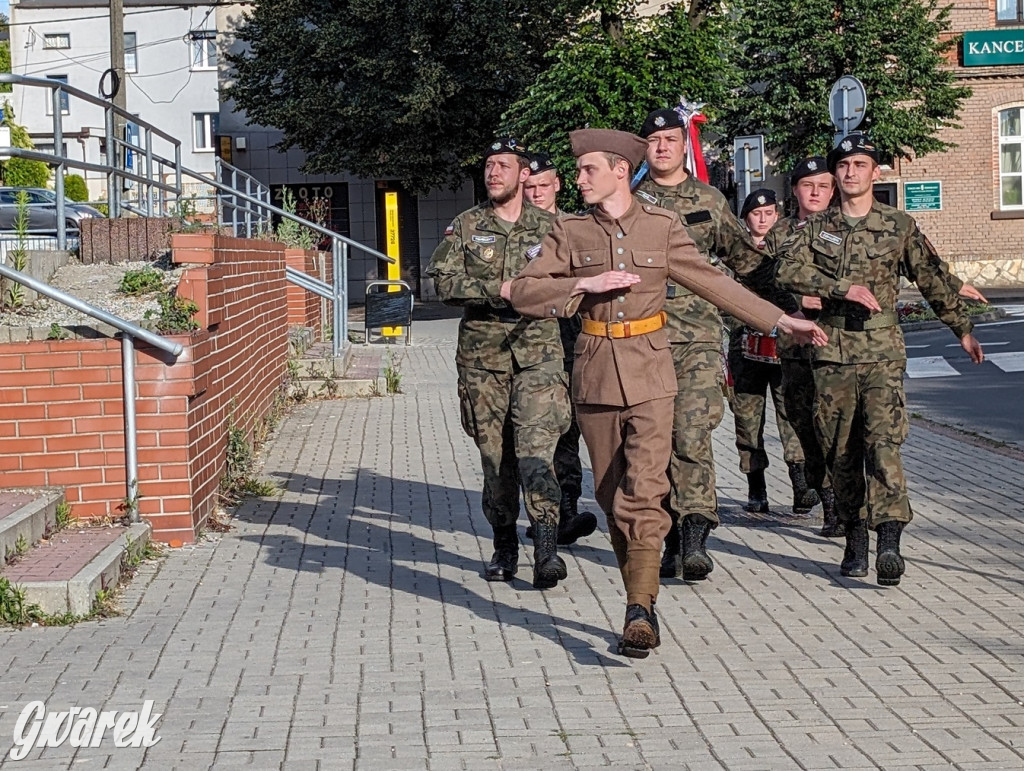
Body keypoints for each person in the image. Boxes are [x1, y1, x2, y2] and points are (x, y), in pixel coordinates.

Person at [503, 128, 826, 657]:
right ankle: (640, 588)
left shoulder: (662, 226)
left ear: (615, 170)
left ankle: (640, 607)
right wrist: (581, 286)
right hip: (596, 373)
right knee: (610, 496)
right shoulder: (570, 231)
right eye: (579, 170)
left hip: (654, 373)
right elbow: (524, 291)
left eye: (587, 170)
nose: (578, 179)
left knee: (645, 491)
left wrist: (779, 321)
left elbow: (714, 282)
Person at [775, 132, 984, 585]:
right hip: (830, 354)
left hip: (883, 354)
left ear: (875, 171)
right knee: (840, 450)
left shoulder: (898, 226)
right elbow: (787, 269)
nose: (851, 173)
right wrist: (839, 289)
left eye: (860, 165)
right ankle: (854, 537)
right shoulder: (817, 227)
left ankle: (889, 538)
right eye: (844, 166)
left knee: (883, 443)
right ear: (836, 173)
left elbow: (931, 279)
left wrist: (962, 329)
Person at [634, 108, 790, 581]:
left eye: (670, 139)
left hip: (698, 336)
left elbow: (746, 261)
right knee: (651, 443)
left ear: (684, 145)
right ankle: (668, 538)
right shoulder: (630, 201)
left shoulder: (709, 199)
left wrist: (789, 307)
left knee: (693, 433)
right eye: (654, 139)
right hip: (643, 335)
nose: (662, 147)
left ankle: (696, 533)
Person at [427, 137, 572, 590]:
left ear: (524, 174)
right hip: (483, 359)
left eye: (503, 166)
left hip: (539, 356)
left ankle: (546, 548)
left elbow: (579, 280)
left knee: (537, 452)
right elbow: (443, 281)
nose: (493, 173)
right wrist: (499, 291)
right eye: (489, 166)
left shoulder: (555, 228)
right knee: (496, 458)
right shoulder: (467, 225)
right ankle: (505, 543)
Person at [522, 151, 599, 546]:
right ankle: (553, 514)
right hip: (536, 346)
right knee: (549, 430)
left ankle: (569, 504)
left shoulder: (578, 228)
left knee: (579, 428)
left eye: (542, 185)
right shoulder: (514, 230)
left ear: (557, 186)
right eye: (529, 187)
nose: (535, 193)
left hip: (579, 340)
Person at [763, 158, 843, 536]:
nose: (816, 193)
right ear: (794, 189)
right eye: (807, 185)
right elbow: (762, 284)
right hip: (794, 346)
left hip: (837, 344)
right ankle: (825, 498)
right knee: (803, 426)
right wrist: (796, 301)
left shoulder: (845, 229)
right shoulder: (777, 235)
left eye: (823, 186)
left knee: (837, 426)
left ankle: (843, 506)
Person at [728, 188, 817, 516]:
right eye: (756, 214)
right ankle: (756, 487)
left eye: (769, 214)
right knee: (747, 418)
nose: (763, 219)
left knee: (791, 413)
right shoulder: (734, 252)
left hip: (784, 345)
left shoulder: (789, 246)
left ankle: (799, 484)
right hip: (745, 343)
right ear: (746, 218)